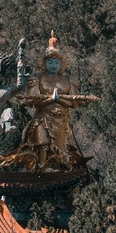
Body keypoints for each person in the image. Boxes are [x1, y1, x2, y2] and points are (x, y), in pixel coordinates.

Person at [19, 33, 98, 169]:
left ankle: (62, 168)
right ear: (44, 63)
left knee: (63, 150)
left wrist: (60, 100)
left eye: (57, 62)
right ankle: (40, 168)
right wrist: (50, 99)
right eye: (50, 62)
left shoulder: (68, 80)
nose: (54, 65)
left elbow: (74, 102)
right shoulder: (38, 80)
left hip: (62, 120)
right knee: (42, 145)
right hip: (43, 118)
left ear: (62, 64)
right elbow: (32, 101)